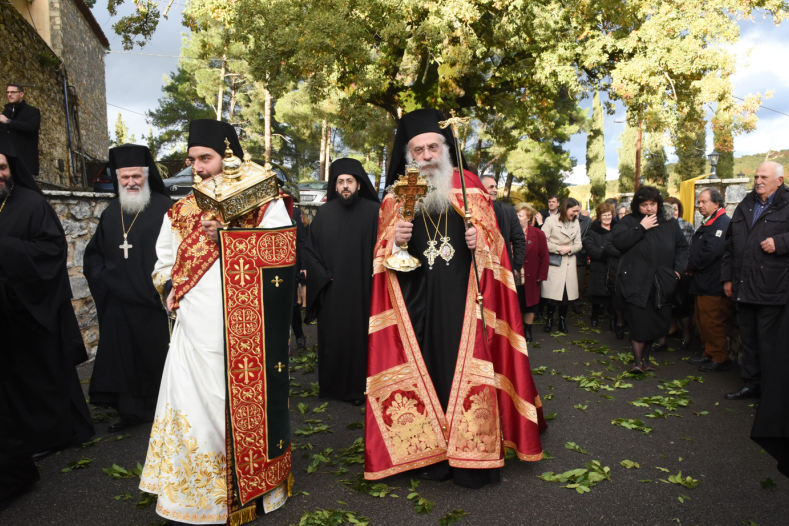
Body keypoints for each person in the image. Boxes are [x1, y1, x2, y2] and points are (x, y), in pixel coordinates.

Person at [365, 108, 546, 489]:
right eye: (419, 150)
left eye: (433, 147)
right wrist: (392, 238)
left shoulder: (469, 186)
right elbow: (383, 259)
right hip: (418, 307)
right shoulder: (397, 195)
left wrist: (481, 242)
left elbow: (496, 246)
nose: (428, 156)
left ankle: (472, 460)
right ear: (409, 156)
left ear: (445, 149)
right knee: (427, 374)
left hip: (466, 304)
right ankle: (428, 453)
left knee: (467, 372)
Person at [139, 120, 293, 524]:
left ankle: (255, 489)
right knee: (194, 408)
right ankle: (198, 495)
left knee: (244, 409)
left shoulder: (263, 203)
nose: (197, 167)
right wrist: (170, 283)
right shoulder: (179, 211)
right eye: (192, 160)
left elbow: (282, 254)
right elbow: (164, 262)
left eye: (205, 158)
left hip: (248, 331)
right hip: (193, 331)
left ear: (228, 160)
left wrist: (229, 234)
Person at [0, 134, 94, 460]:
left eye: (2, 167)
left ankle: (51, 436)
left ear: (12, 167)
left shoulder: (31, 202)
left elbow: (53, 251)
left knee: (38, 377)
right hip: (5, 313)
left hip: (32, 308)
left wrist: (8, 248)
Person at [83, 144, 173, 433]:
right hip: (119, 305)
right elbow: (94, 253)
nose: (131, 182)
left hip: (153, 303)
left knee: (154, 358)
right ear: (117, 178)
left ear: (147, 175)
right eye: (124, 178)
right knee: (123, 360)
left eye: (136, 176)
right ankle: (130, 412)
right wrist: (105, 280)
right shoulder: (111, 213)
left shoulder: (166, 209)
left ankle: (162, 410)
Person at [303, 158, 380, 404]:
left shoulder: (374, 212)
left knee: (361, 339)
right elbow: (309, 250)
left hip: (364, 289)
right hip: (332, 290)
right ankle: (333, 389)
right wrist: (323, 277)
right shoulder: (324, 214)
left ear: (359, 184)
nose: (345, 186)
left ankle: (360, 390)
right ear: (335, 186)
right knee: (333, 337)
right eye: (340, 182)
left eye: (350, 181)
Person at [721, 161, 789, 401]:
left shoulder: (787, 203)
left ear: (779, 181)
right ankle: (751, 385)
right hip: (743, 286)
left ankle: (771, 397)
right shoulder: (746, 205)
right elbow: (730, 246)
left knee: (769, 345)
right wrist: (727, 278)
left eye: (764, 177)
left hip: (773, 287)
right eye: (756, 176)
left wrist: (781, 243)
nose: (758, 181)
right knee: (748, 340)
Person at [612, 186, 689, 374]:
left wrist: (677, 272)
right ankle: (637, 362)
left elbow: (682, 247)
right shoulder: (629, 221)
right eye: (644, 205)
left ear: (658, 204)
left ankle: (646, 360)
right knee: (639, 322)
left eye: (652, 204)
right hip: (636, 281)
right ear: (637, 206)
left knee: (656, 322)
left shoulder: (669, 223)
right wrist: (641, 228)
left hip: (663, 282)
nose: (649, 208)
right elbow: (618, 242)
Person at [686, 188, 731, 372]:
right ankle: (708, 352)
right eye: (699, 201)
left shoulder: (722, 223)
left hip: (712, 282)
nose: (700, 205)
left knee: (713, 321)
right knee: (701, 318)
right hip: (702, 282)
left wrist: (691, 265)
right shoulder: (709, 222)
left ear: (716, 203)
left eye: (704, 202)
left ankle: (719, 357)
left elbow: (711, 251)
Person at [652, 197, 694, 351]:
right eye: (669, 209)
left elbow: (686, 249)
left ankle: (687, 338)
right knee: (662, 306)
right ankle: (662, 340)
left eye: (675, 209)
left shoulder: (686, 226)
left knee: (682, 307)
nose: (672, 212)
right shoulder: (660, 225)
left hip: (680, 272)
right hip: (663, 272)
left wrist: (679, 270)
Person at [541, 198, 582, 333]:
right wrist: (559, 248)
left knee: (566, 295)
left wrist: (569, 249)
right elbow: (543, 241)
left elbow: (579, 244)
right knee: (552, 295)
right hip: (554, 262)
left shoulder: (575, 222)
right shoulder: (551, 220)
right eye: (574, 210)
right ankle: (550, 319)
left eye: (578, 211)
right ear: (566, 208)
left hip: (569, 263)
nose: (576, 213)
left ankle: (562, 321)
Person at [514, 203, 548, 342]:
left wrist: (541, 275)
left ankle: (527, 330)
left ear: (528, 218)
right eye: (515, 215)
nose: (517, 218)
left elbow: (545, 256)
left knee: (530, 305)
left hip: (531, 276)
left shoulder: (538, 234)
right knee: (515, 303)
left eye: (520, 216)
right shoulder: (508, 232)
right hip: (513, 276)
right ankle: (515, 331)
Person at [482, 175, 526, 280]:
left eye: (496, 187)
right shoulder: (474, 209)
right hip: (482, 268)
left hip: (504, 267)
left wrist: (516, 266)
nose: (495, 190)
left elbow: (519, 239)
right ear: (482, 188)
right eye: (491, 187)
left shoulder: (509, 210)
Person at [583, 202, 618, 330]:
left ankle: (613, 320)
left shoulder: (617, 229)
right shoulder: (593, 231)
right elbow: (589, 248)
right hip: (598, 266)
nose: (607, 218)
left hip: (613, 267)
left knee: (612, 296)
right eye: (604, 215)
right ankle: (594, 316)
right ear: (599, 216)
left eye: (609, 215)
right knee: (597, 295)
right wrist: (606, 254)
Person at [0, 84, 40, 176]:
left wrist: (9, 121)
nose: (9, 94)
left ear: (21, 94)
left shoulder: (32, 111)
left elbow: (32, 127)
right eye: (8, 92)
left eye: (13, 92)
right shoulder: (6, 112)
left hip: (25, 161)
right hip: (9, 160)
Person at [291, 199, 307, 349]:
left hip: (291, 263)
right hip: (269, 264)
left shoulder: (294, 212)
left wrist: (303, 265)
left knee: (292, 302)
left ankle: (299, 334)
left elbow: (301, 241)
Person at [573, 209, 592, 314]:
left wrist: (578, 242)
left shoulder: (587, 221)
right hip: (566, 255)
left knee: (579, 282)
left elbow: (590, 237)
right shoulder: (564, 219)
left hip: (581, 255)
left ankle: (577, 304)